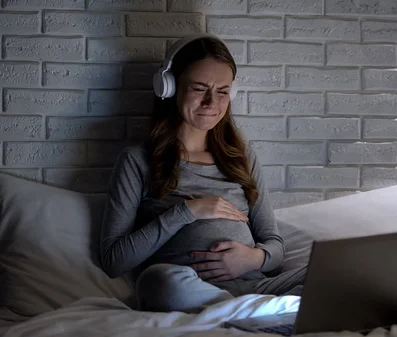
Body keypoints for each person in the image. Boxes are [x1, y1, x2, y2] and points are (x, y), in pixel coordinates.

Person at [99, 33, 306, 314]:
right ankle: (260, 312)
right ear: (169, 88)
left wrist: (253, 259)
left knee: (332, 271)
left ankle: (248, 311)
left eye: (222, 91)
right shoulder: (138, 160)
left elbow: (274, 243)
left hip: (256, 286)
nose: (212, 102)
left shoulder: (242, 156)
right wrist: (187, 211)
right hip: (188, 288)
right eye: (199, 88)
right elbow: (114, 260)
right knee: (156, 281)